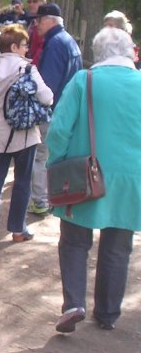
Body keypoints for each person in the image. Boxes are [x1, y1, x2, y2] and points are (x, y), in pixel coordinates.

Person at [48, 27, 141, 333]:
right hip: (132, 177)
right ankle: (108, 313)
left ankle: (74, 303)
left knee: (74, 241)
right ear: (131, 52)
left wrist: (56, 163)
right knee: (118, 246)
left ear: (96, 52)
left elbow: (59, 129)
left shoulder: (84, 80)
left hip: (84, 174)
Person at [0, 25, 53, 249]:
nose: (27, 49)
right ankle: (18, 230)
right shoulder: (27, 69)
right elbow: (47, 97)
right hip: (24, 134)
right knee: (22, 181)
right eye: (25, 45)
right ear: (14, 47)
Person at [28, 3, 82, 215]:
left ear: (51, 20)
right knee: (57, 155)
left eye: (39, 20)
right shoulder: (68, 40)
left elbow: (47, 84)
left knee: (41, 155)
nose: (36, 24)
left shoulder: (55, 44)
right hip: (67, 109)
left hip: (53, 110)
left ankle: (41, 201)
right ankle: (58, 196)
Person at [25, 0, 47, 64]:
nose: (31, 4)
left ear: (43, 3)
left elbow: (41, 49)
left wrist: (33, 65)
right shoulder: (33, 22)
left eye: (35, 1)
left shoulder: (45, 24)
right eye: (29, 2)